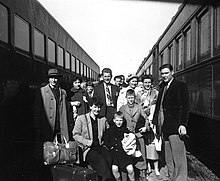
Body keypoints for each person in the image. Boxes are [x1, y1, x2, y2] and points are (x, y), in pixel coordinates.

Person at [152, 64, 189, 181]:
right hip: (164, 127)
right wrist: (156, 123)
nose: (164, 75)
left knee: (178, 157)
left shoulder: (180, 85)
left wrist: (183, 124)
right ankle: (172, 178)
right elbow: (159, 106)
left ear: (172, 72)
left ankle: (181, 179)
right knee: (168, 157)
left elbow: (185, 106)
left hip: (175, 126)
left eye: (166, 73)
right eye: (162, 73)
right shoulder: (162, 87)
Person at [34, 68, 69, 179]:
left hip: (60, 125)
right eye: (52, 78)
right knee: (47, 152)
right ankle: (44, 175)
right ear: (49, 79)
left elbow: (65, 111)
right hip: (47, 126)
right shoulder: (42, 91)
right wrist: (38, 126)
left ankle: (57, 174)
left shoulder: (62, 92)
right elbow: (37, 110)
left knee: (60, 152)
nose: (54, 80)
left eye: (56, 78)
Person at [72, 97, 113, 181]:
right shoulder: (81, 118)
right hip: (87, 148)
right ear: (90, 107)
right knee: (100, 160)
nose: (97, 109)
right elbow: (75, 134)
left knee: (109, 158)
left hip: (100, 146)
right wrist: (86, 142)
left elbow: (108, 133)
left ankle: (101, 178)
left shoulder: (103, 119)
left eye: (98, 107)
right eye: (95, 107)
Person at [119, 89, 149, 180]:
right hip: (127, 136)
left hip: (138, 134)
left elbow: (146, 119)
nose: (131, 99)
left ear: (135, 98)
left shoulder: (139, 107)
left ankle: (142, 172)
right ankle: (128, 173)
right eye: (129, 98)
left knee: (141, 153)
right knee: (128, 153)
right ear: (126, 98)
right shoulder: (122, 108)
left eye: (132, 97)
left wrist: (145, 127)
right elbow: (119, 119)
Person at [103, 111, 135, 181]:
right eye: (117, 120)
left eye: (120, 120)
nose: (119, 122)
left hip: (124, 153)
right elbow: (106, 140)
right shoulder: (110, 130)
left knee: (130, 169)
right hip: (114, 153)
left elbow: (131, 140)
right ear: (114, 120)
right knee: (114, 169)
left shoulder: (125, 130)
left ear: (123, 121)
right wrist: (111, 147)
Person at [140, 74, 160, 176]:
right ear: (142, 83)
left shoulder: (156, 93)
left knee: (154, 143)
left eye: (149, 82)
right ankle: (147, 166)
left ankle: (156, 167)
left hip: (153, 121)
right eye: (145, 82)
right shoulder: (139, 93)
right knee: (145, 144)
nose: (147, 84)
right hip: (144, 121)